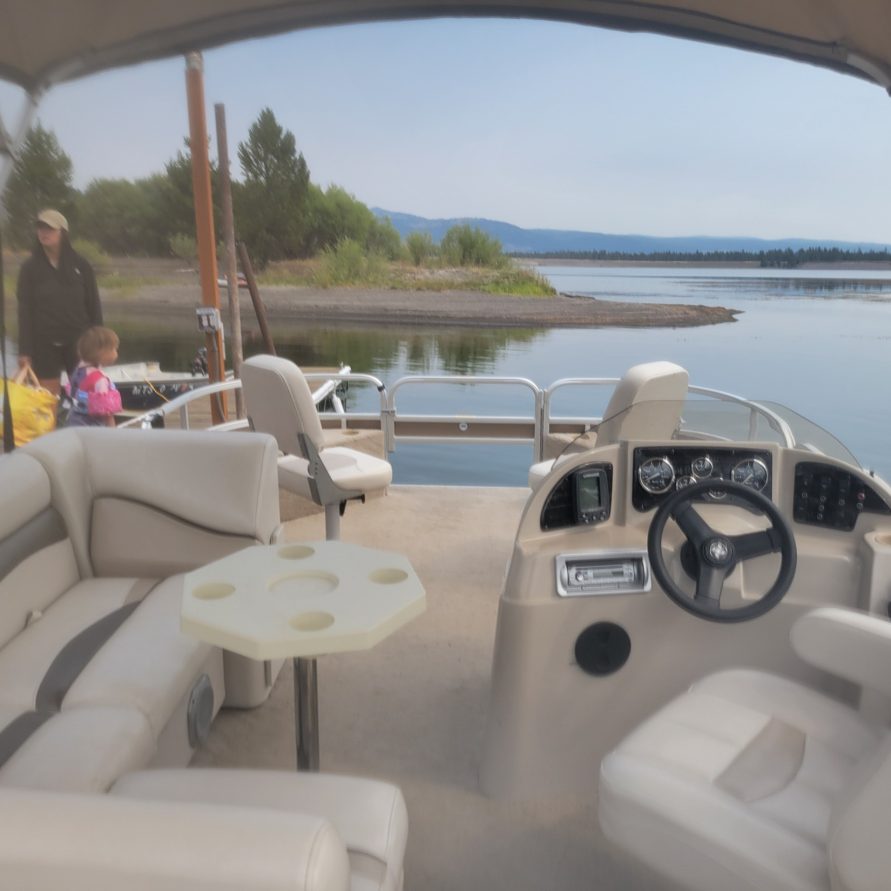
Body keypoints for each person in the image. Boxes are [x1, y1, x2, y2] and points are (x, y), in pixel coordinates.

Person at [16, 208, 103, 395]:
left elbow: (94, 305)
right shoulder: (29, 268)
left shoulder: (81, 265)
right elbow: (25, 312)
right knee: (48, 398)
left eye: (49, 228)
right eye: (40, 228)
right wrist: (25, 351)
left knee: (84, 397)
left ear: (62, 232)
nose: (43, 232)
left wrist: (98, 343)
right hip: (43, 343)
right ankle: (52, 425)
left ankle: (80, 424)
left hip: (79, 341)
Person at [65, 326, 122, 428]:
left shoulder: (78, 369)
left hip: (73, 421)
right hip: (92, 427)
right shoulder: (100, 380)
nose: (116, 353)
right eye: (114, 349)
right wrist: (113, 430)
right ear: (103, 352)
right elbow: (106, 412)